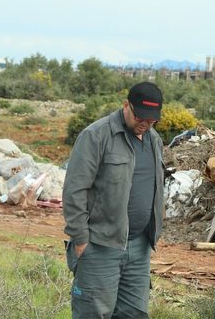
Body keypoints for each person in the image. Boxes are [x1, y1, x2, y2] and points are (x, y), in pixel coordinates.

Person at [63, 82, 166, 318]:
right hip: (100, 245)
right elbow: (74, 191)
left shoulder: (154, 140)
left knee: (134, 314)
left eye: (152, 120)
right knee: (93, 313)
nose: (146, 124)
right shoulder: (96, 136)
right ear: (126, 106)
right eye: (141, 117)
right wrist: (80, 239)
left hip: (139, 247)